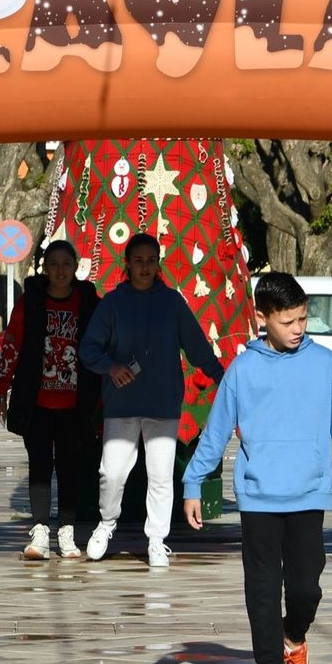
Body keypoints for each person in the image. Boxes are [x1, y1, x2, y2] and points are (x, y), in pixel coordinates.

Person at [183, 272, 332, 664]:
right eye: (288, 321)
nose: (298, 328)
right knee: (262, 588)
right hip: (259, 496)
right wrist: (192, 482)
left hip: (309, 493)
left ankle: (294, 637)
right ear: (262, 319)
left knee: (305, 588)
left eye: (303, 319)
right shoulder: (243, 369)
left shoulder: (325, 366)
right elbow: (216, 431)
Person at [80, 232, 226, 567]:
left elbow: (199, 349)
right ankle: (107, 524)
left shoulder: (172, 303)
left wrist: (225, 379)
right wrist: (110, 367)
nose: (145, 267)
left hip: (162, 403)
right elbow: (89, 349)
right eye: (138, 261)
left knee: (160, 475)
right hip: (121, 404)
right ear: (127, 264)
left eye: (151, 261)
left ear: (158, 264)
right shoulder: (113, 303)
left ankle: (157, 540)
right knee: (112, 473)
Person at [0, 240, 102, 561]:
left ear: (75, 267)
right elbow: (12, 345)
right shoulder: (31, 302)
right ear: (44, 268)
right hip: (37, 402)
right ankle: (40, 530)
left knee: (71, 468)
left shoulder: (88, 302)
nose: (60, 271)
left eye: (66, 264)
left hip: (75, 404)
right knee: (40, 468)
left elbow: (103, 344)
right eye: (53, 264)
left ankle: (66, 531)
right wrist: (1, 391)